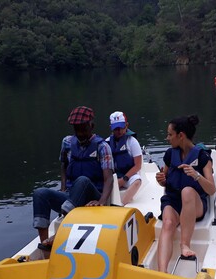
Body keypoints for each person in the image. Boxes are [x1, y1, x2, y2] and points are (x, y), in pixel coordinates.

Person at [32, 106, 114, 258]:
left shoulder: (103, 147)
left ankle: (59, 233)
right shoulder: (67, 142)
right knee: (40, 194)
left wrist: (102, 201)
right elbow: (63, 164)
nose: (81, 134)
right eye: (77, 130)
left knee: (82, 180)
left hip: (93, 199)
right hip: (72, 198)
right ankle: (45, 246)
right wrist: (63, 187)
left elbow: (108, 178)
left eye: (84, 129)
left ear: (92, 126)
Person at [155, 115, 215, 273]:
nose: (167, 138)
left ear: (180, 135)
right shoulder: (170, 154)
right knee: (167, 224)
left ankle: (184, 245)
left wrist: (196, 175)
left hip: (195, 204)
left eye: (170, 134)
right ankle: (162, 273)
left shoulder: (203, 157)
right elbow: (165, 179)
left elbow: (211, 189)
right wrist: (161, 179)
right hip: (173, 201)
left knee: (187, 191)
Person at [105, 111, 142, 205]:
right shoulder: (107, 143)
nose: (119, 131)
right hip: (113, 177)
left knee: (137, 180)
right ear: (111, 128)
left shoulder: (132, 142)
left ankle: (122, 204)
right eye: (116, 128)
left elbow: (138, 166)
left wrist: (123, 179)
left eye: (121, 127)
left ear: (126, 125)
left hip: (128, 176)